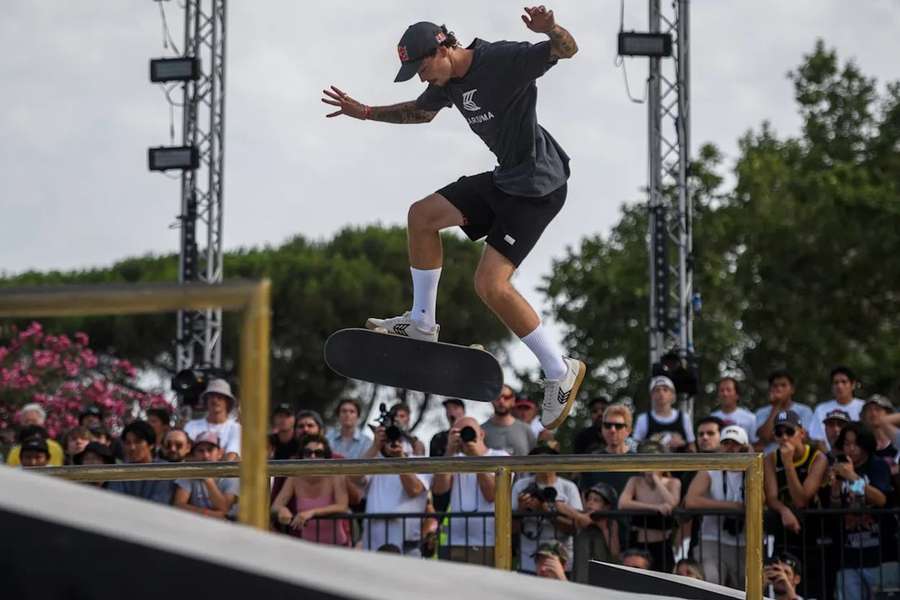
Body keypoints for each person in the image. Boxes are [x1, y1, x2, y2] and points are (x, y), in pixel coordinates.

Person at [322, 7, 586, 430]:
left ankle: (559, 371)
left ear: (445, 47)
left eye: (422, 67)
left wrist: (550, 29)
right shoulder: (449, 82)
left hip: (538, 188)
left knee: (490, 285)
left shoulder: (503, 59)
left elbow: (565, 51)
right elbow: (420, 113)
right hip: (505, 179)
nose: (423, 78)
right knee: (422, 216)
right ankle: (422, 322)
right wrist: (367, 112)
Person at [829, 422, 898, 600]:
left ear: (865, 444)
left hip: (880, 555)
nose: (851, 449)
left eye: (855, 444)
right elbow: (835, 508)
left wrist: (852, 477)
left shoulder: (878, 465)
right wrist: (835, 490)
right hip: (848, 557)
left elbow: (880, 499)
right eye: (846, 443)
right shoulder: (839, 468)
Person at [431, 416, 508, 565]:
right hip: (453, 542)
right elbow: (439, 491)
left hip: (487, 542)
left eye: (468, 431)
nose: (465, 436)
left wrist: (476, 458)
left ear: (482, 434)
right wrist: (449, 452)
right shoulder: (453, 459)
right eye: (458, 432)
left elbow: (492, 494)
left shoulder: (499, 456)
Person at [684, 425, 749, 589]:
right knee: (711, 583)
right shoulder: (710, 470)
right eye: (726, 443)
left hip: (745, 542)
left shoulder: (753, 471)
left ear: (745, 447)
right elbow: (691, 501)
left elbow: (762, 501)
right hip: (711, 540)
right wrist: (732, 507)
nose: (730, 448)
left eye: (735, 444)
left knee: (746, 589)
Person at [763, 410, 828, 554]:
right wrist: (784, 510)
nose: (784, 437)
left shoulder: (817, 458)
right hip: (784, 523)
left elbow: (801, 500)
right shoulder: (770, 458)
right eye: (779, 433)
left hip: (812, 525)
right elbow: (772, 497)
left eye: (790, 431)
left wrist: (788, 464)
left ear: (802, 433)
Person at [361, 424, 431, 555]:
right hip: (372, 544)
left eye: (398, 437)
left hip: (406, 546)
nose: (393, 442)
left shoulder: (420, 461)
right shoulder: (374, 461)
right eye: (387, 439)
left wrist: (400, 457)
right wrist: (375, 446)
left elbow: (414, 490)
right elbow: (354, 478)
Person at [511, 445, 582, 574]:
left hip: (562, 561)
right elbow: (510, 528)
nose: (542, 465)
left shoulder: (568, 487)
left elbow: (575, 527)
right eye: (537, 461)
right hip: (528, 561)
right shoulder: (521, 486)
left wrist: (546, 511)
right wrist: (521, 510)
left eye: (546, 460)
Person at [272, 434, 349, 546]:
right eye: (308, 453)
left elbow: (342, 506)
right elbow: (275, 506)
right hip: (308, 549)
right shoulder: (295, 478)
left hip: (337, 547)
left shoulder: (335, 475)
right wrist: (281, 509)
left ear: (325, 457)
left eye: (318, 453)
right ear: (302, 456)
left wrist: (311, 513)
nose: (313, 457)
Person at [618, 441, 682, 573]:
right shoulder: (635, 481)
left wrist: (656, 479)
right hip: (639, 544)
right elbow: (623, 503)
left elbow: (672, 503)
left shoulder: (673, 482)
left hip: (662, 543)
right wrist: (655, 507)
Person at [557, 482, 620, 584]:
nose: (590, 503)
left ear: (606, 506)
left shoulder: (610, 523)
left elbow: (615, 552)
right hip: (581, 575)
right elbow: (559, 505)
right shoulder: (581, 518)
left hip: (603, 577)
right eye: (589, 499)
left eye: (596, 500)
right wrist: (579, 516)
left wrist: (604, 529)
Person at [173, 431, 239, 519]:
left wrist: (208, 480)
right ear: (194, 454)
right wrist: (210, 514)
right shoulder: (188, 472)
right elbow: (178, 505)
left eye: (210, 450)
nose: (206, 455)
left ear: (220, 453)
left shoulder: (230, 476)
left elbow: (225, 508)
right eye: (200, 450)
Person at [106, 420, 175, 505]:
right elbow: (114, 502)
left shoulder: (164, 470)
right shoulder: (119, 471)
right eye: (128, 443)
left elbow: (159, 503)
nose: (132, 447)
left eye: (138, 442)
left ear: (151, 445)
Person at [578, 403, 637, 496]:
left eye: (618, 426)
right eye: (607, 425)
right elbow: (584, 496)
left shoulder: (638, 461)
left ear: (628, 430)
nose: (612, 430)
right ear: (602, 429)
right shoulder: (592, 461)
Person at [755, 370, 814, 453]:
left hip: (796, 461)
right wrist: (776, 406)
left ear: (792, 389)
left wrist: (774, 435)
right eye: (775, 386)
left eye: (783, 385)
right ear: (770, 389)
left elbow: (803, 438)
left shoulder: (804, 410)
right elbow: (764, 437)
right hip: (769, 461)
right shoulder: (761, 412)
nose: (779, 389)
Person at [633, 376, 695, 452]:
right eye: (657, 390)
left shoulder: (684, 418)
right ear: (651, 395)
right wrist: (653, 443)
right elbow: (635, 447)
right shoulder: (643, 419)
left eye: (665, 390)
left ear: (672, 395)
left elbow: (692, 446)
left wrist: (682, 443)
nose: (661, 393)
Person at [183, 379, 241, 461]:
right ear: (206, 400)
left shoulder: (236, 428)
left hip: (224, 473)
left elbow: (231, 456)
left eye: (219, 397)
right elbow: (184, 454)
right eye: (211, 396)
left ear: (227, 401)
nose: (215, 400)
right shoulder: (191, 425)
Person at [808, 366, 866, 446]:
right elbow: (816, 438)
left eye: (844, 382)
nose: (839, 386)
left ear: (853, 385)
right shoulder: (821, 409)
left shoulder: (864, 407)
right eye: (836, 382)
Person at [482, 385, 536, 457]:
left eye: (506, 397)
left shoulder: (526, 429)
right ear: (492, 400)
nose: (501, 401)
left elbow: (534, 458)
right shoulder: (482, 431)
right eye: (497, 397)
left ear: (513, 400)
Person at [711, 377, 757, 445]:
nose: (725, 394)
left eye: (728, 390)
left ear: (737, 395)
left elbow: (756, 444)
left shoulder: (750, 418)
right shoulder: (712, 418)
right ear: (718, 394)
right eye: (721, 390)